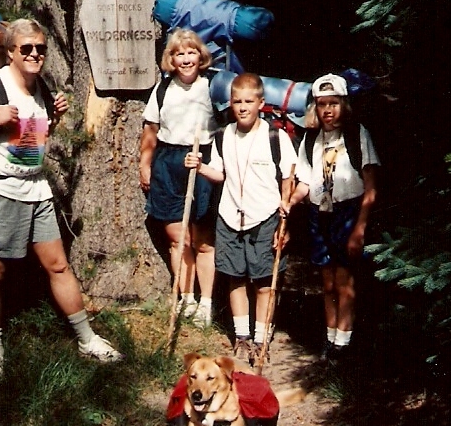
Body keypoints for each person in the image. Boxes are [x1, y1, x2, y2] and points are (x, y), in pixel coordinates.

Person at [0, 18, 123, 378]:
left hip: (36, 189)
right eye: (27, 48)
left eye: (40, 48)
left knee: (58, 265)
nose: (35, 54)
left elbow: (26, 141)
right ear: (11, 53)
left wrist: (51, 118)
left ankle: (87, 339)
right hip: (0, 190)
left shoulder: (41, 86)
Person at [185, 73, 297, 365]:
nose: (243, 107)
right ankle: (242, 337)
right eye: (237, 101)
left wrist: (285, 205)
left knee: (263, 282)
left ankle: (261, 339)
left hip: (265, 216)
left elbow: (288, 175)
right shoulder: (223, 135)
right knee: (235, 278)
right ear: (230, 103)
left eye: (249, 101)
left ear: (261, 103)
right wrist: (199, 167)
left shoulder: (275, 137)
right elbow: (220, 173)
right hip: (231, 216)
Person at [284, 73, 379, 362]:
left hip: (347, 212)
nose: (328, 110)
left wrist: (359, 228)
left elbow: (371, 188)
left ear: (343, 104)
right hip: (319, 214)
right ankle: (330, 338)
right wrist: (289, 201)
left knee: (344, 280)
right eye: (322, 104)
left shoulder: (356, 134)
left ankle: (345, 342)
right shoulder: (311, 138)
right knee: (326, 282)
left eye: (333, 104)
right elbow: (304, 181)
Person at [139, 29, 217, 328]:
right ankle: (187, 298)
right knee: (178, 239)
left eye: (190, 52)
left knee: (204, 240)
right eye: (178, 53)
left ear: (201, 55)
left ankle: (206, 304)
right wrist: (145, 165)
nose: (185, 59)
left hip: (203, 159)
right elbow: (150, 130)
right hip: (168, 162)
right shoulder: (162, 89)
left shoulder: (212, 86)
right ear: (170, 58)